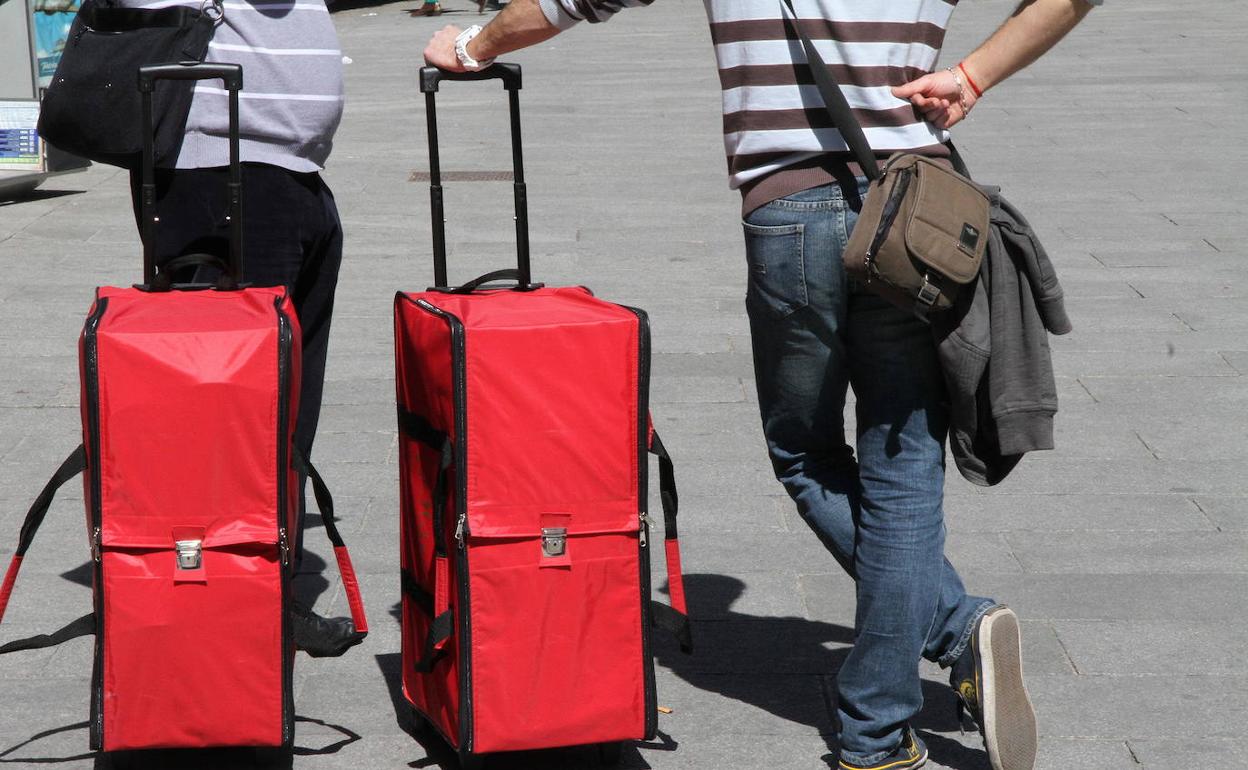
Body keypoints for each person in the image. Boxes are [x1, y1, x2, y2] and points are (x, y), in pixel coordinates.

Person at [425, 1, 1098, 769]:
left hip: (790, 209)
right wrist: (973, 76)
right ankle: (877, 730)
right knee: (904, 463)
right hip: (919, 213)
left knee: (805, 453)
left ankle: (953, 628)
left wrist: (474, 45)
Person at [119, 0, 359, 656]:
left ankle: (258, 589)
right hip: (220, 171)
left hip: (289, 174)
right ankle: (232, 602)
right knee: (242, 411)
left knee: (286, 405)